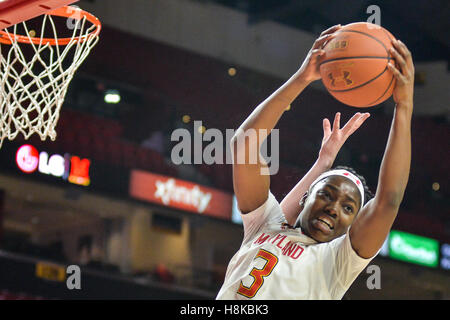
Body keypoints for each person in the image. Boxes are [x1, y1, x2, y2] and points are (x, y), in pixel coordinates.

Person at [216, 24, 414, 300]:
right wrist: (301, 78)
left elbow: (388, 201)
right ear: (306, 197)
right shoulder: (266, 225)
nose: (333, 209)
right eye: (326, 195)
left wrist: (404, 108)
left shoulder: (337, 262)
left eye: (348, 207)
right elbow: (244, 144)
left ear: (354, 222)